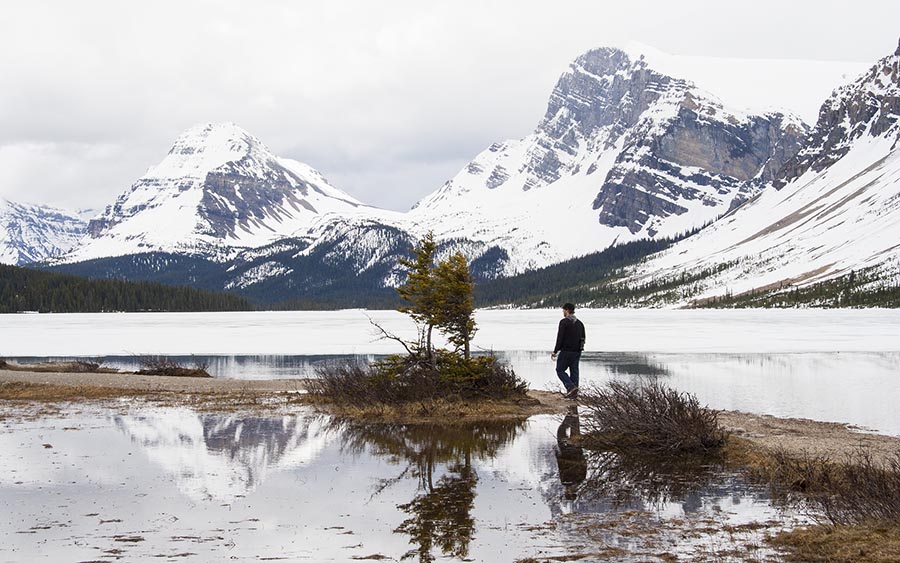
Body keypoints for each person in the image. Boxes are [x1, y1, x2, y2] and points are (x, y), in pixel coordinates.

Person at [551, 302, 585, 398]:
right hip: (577, 351)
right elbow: (583, 337)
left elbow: (560, 337)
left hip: (566, 351)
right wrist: (580, 349)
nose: (563, 312)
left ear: (567, 310)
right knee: (574, 371)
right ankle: (573, 394)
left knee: (560, 370)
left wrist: (555, 351)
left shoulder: (564, 322)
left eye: (563, 310)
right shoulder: (580, 323)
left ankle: (571, 387)